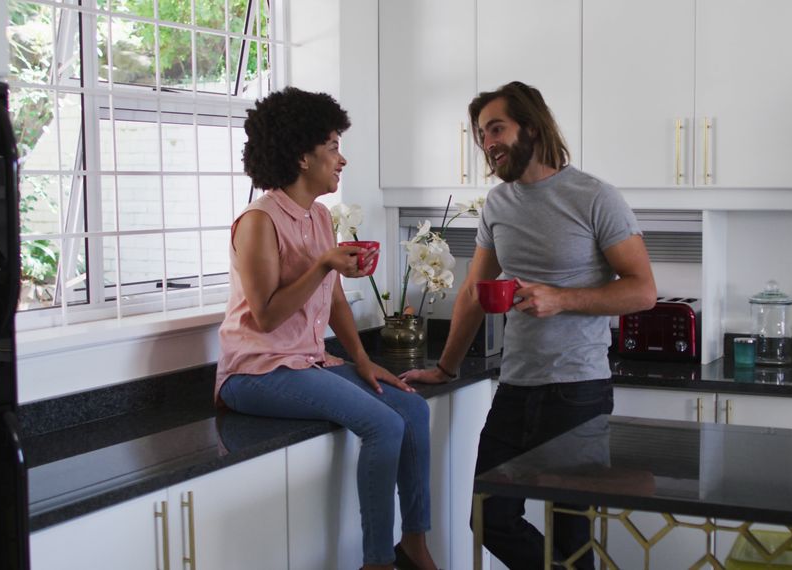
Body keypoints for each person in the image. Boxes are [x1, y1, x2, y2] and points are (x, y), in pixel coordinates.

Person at [400, 81, 657, 569]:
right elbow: (475, 294)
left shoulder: (595, 196)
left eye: (496, 128)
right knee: (489, 516)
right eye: (480, 135)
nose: (487, 143)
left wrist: (561, 299)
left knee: (571, 531)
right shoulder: (497, 205)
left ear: (532, 128)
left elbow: (642, 290)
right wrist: (447, 367)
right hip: (516, 387)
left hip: (578, 390)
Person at [215, 87, 438, 570]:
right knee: (383, 424)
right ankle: (377, 560)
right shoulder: (258, 221)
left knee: (412, 409)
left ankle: (415, 542)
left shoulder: (317, 215)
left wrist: (361, 359)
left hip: (307, 362)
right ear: (302, 156)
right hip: (255, 373)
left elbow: (333, 297)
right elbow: (267, 315)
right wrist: (322, 266)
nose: (342, 159)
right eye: (333, 146)